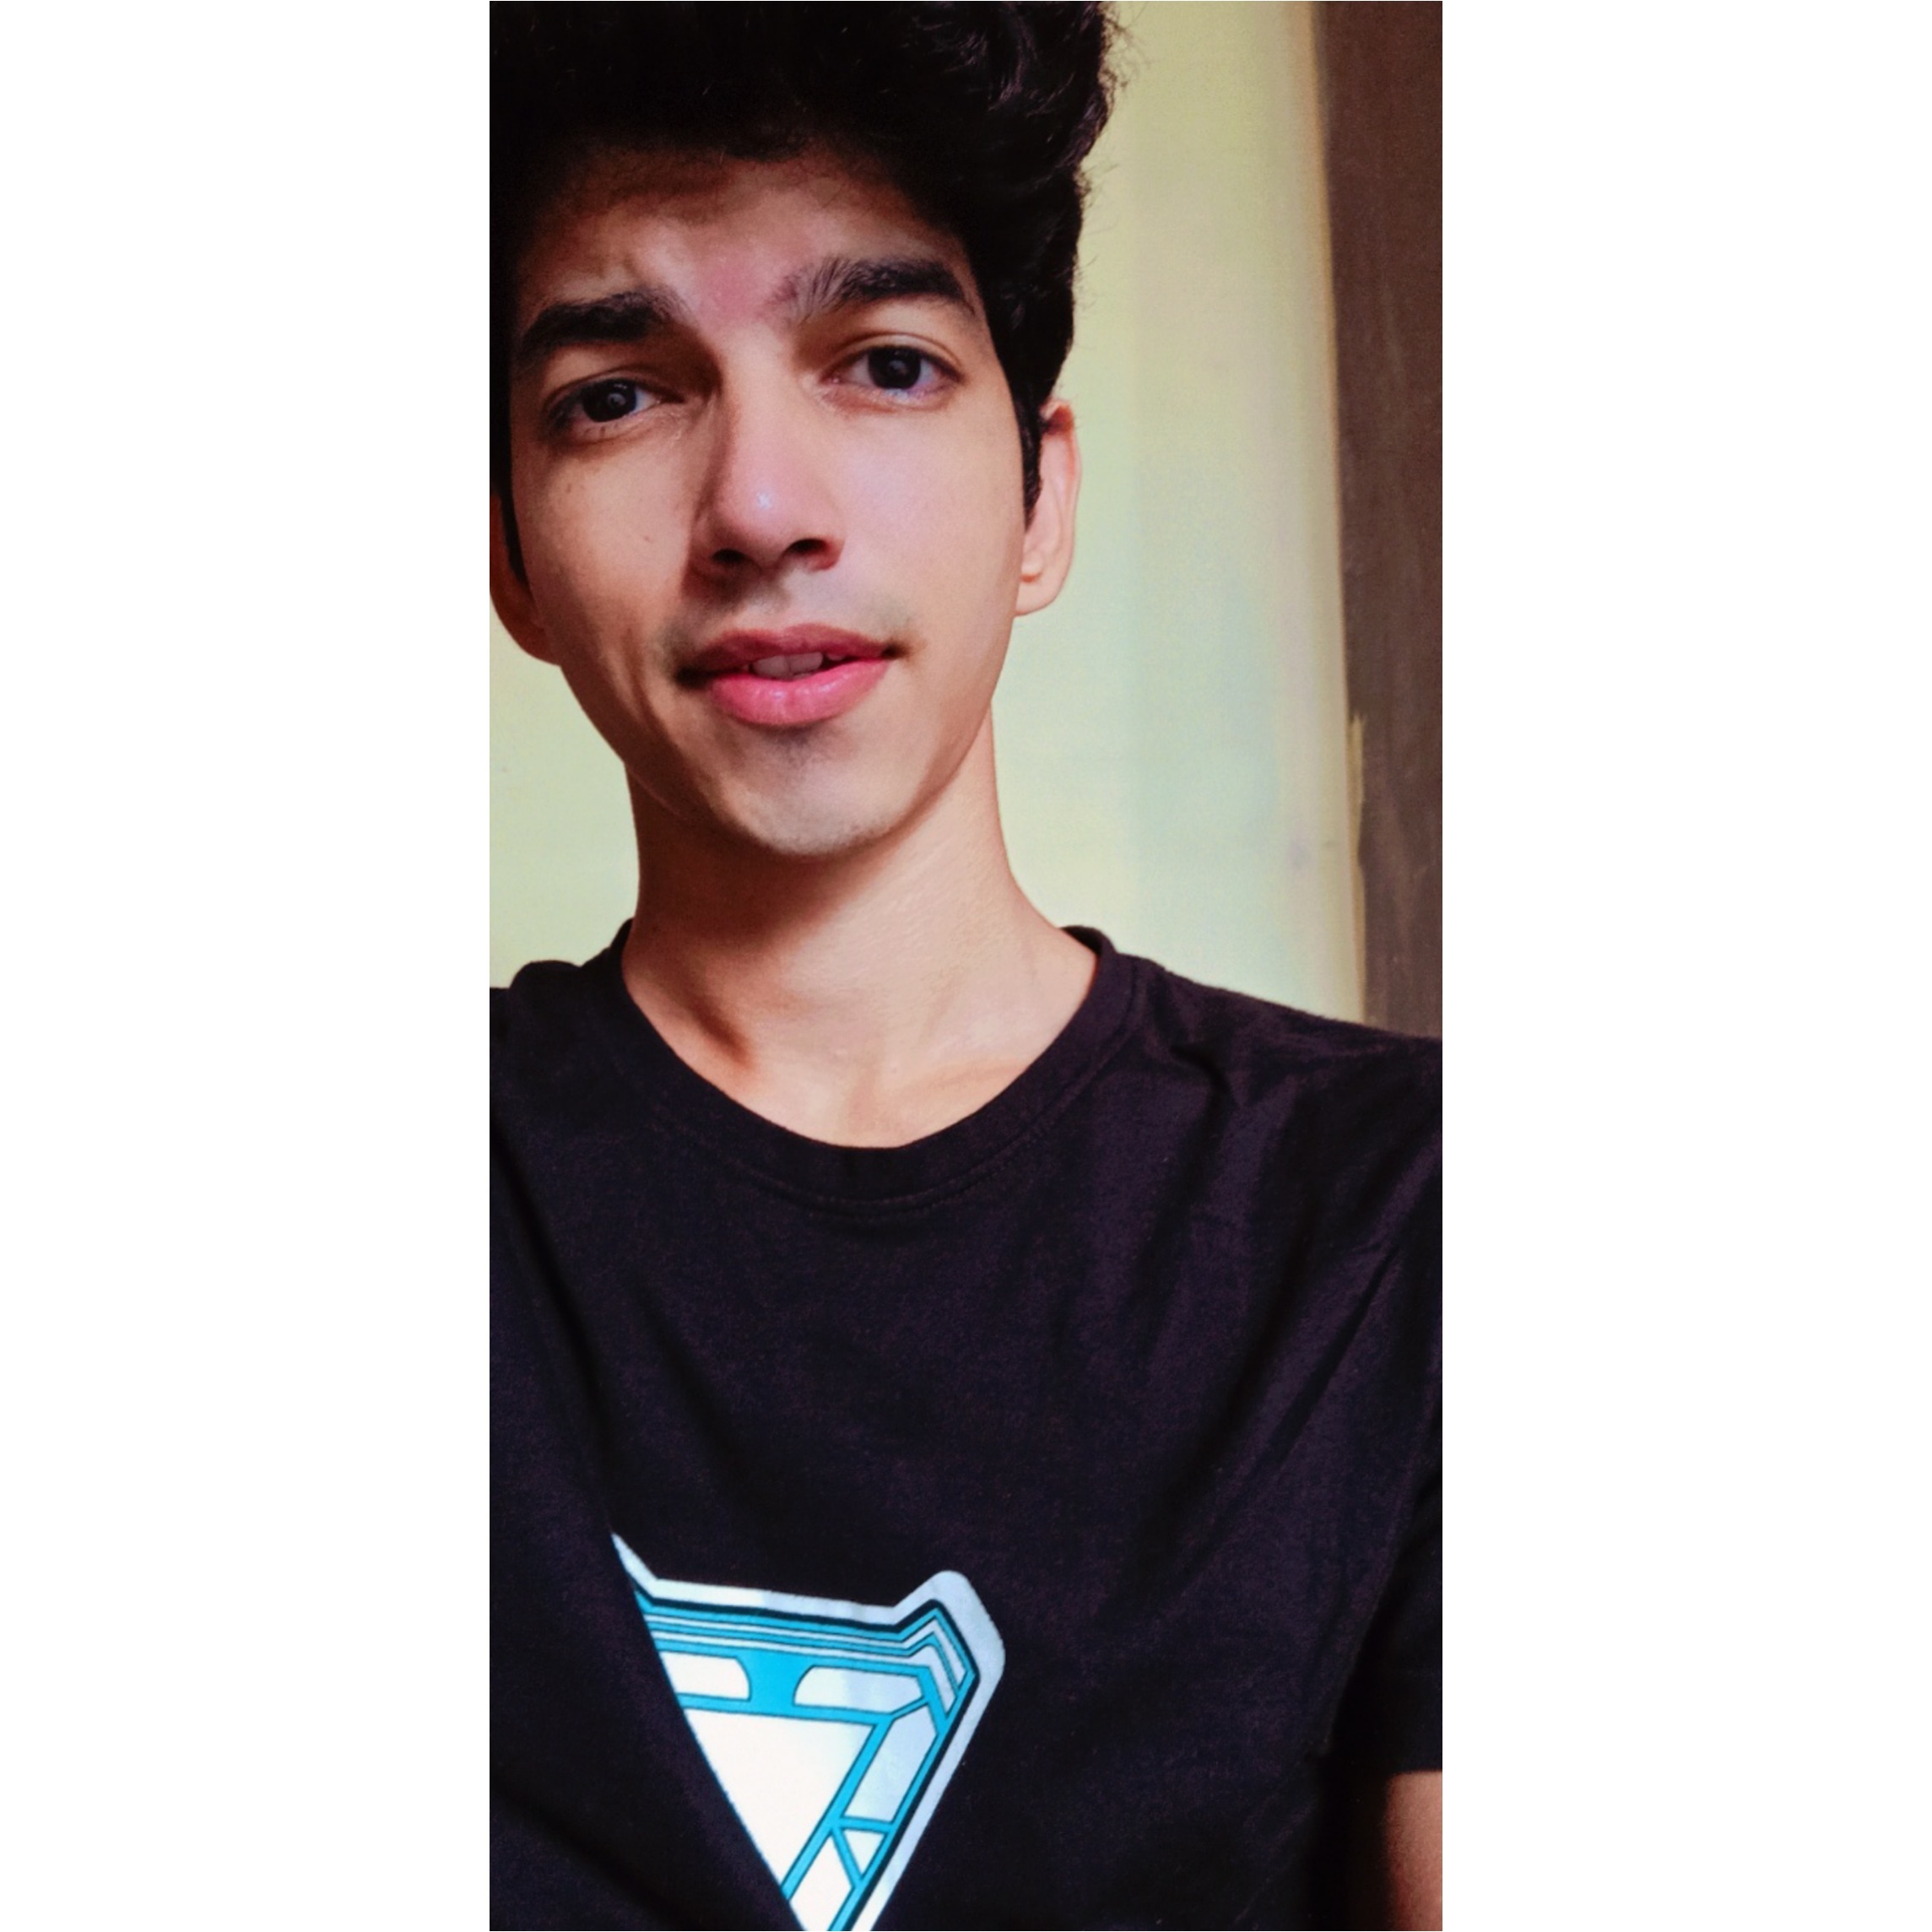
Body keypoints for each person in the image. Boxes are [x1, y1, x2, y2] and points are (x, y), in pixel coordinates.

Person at [490, 6, 1441, 1928]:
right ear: (505, 554)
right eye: (619, 394)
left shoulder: (1410, 1214)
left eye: (886, 363)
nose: (763, 509)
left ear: (1038, 499)